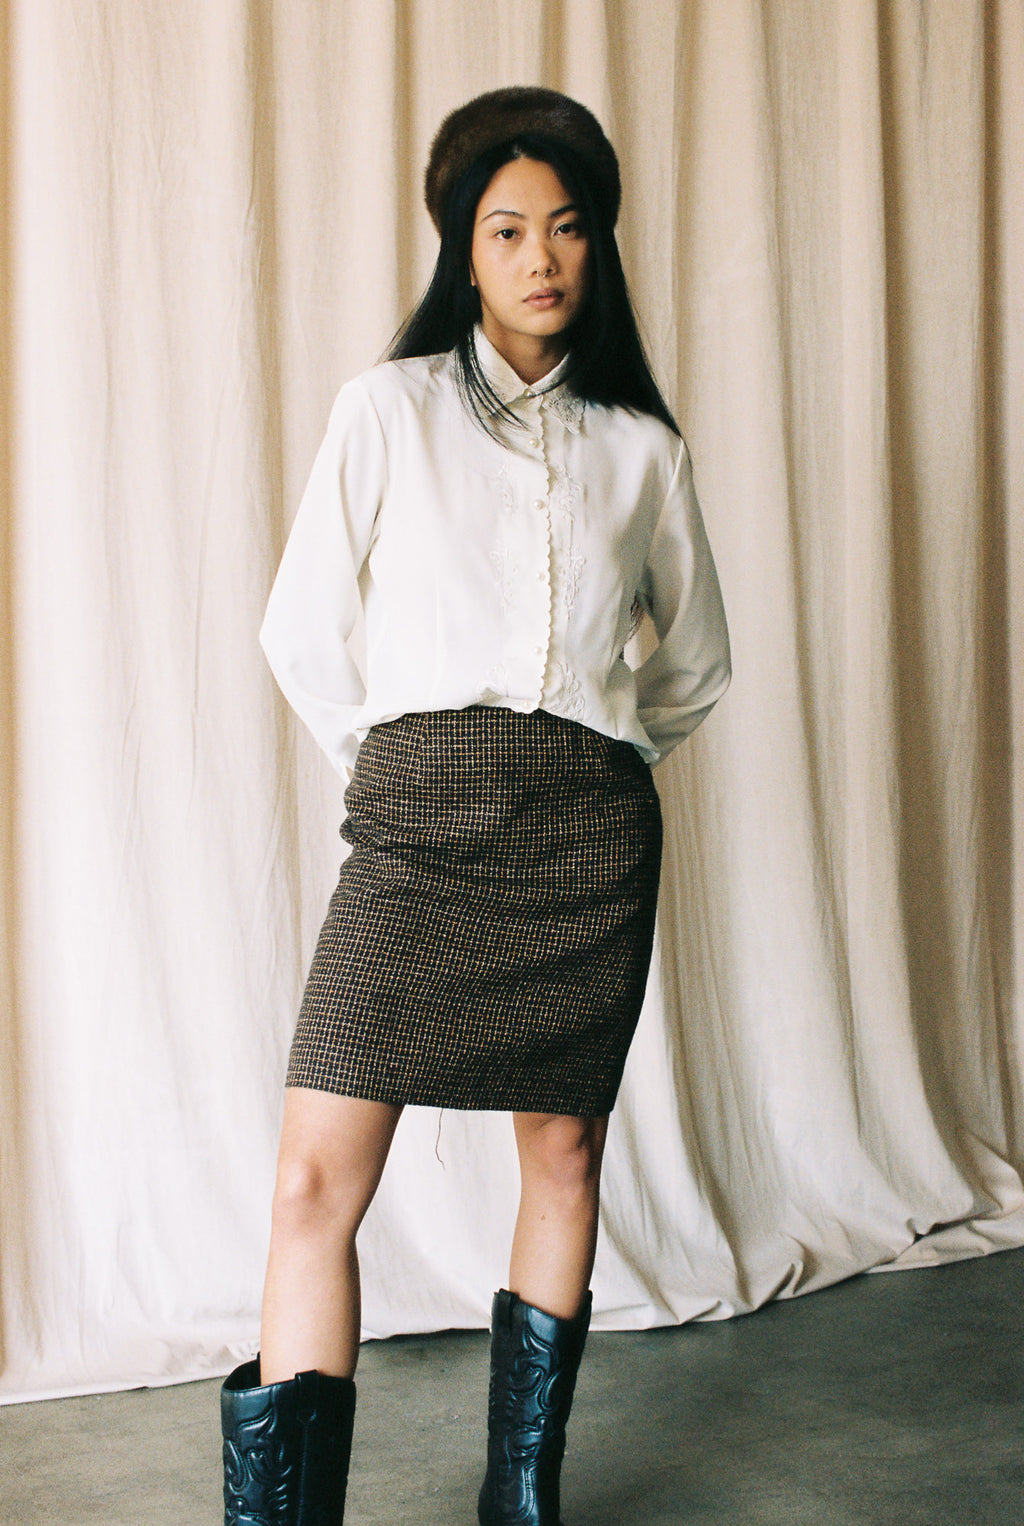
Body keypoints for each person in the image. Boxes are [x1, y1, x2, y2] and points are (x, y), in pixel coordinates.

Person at [220, 86, 730, 1526]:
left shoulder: (642, 444)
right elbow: (302, 630)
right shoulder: (386, 408)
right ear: (463, 246)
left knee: (561, 1148)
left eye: (566, 226)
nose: (540, 254)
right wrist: (400, 771)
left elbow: (693, 665)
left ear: (598, 245)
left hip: (585, 840)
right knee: (317, 1174)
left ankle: (524, 1502)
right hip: (418, 830)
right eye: (507, 228)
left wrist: (603, 769)